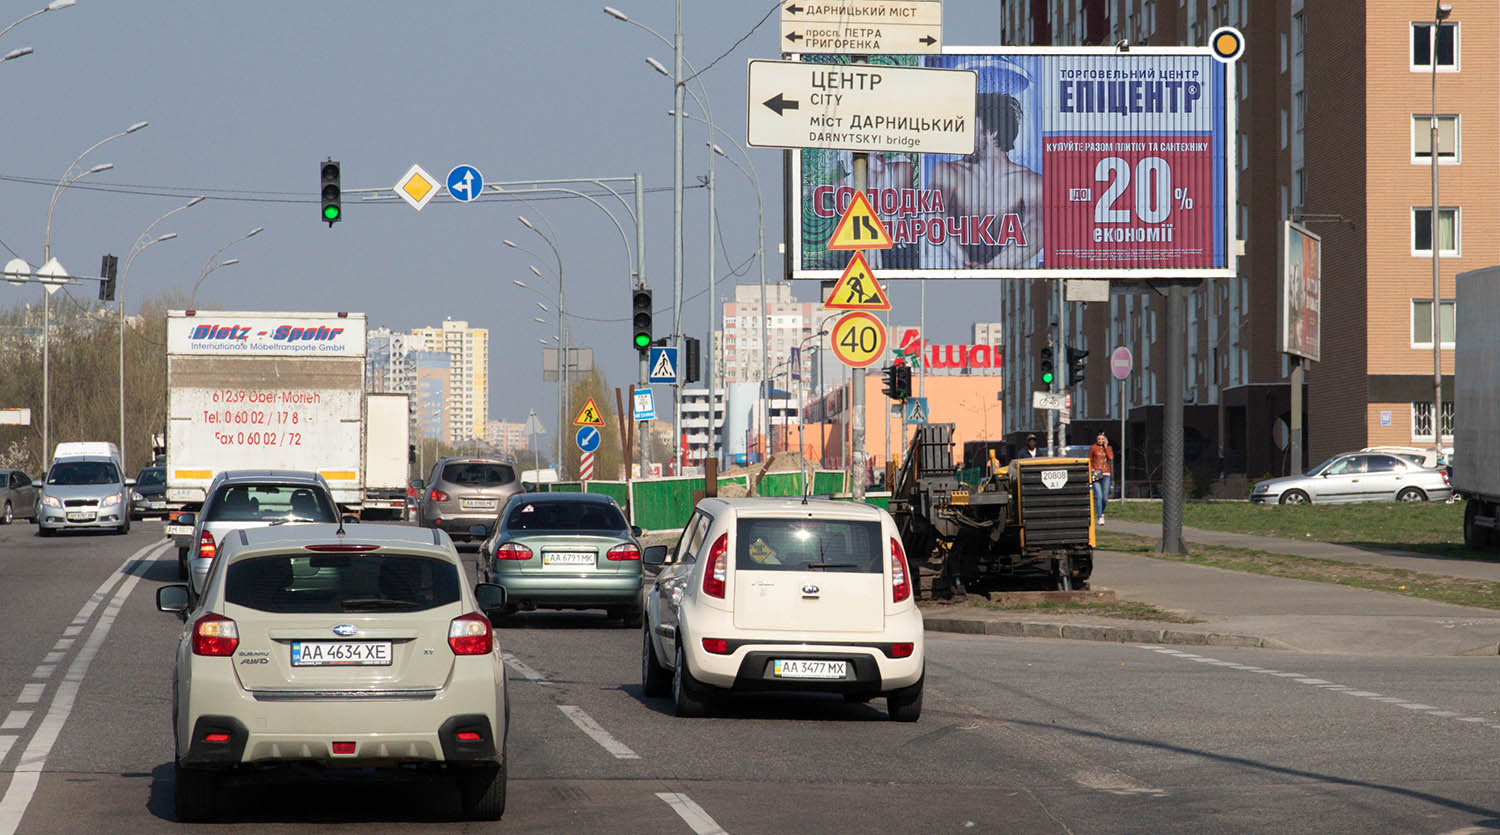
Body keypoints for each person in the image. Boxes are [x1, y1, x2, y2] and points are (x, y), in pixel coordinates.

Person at [1090, 433, 1114, 525]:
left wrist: (1106, 447)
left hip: (1106, 473)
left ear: (1105, 440)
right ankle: (1100, 517)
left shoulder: (1109, 448)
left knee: (1105, 497)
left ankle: (1102, 512)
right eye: (1099, 439)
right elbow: (1090, 459)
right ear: (1096, 440)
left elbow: (1111, 458)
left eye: (1102, 439)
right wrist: (1092, 469)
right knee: (1099, 496)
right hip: (1096, 473)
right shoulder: (1093, 448)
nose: (1100, 441)